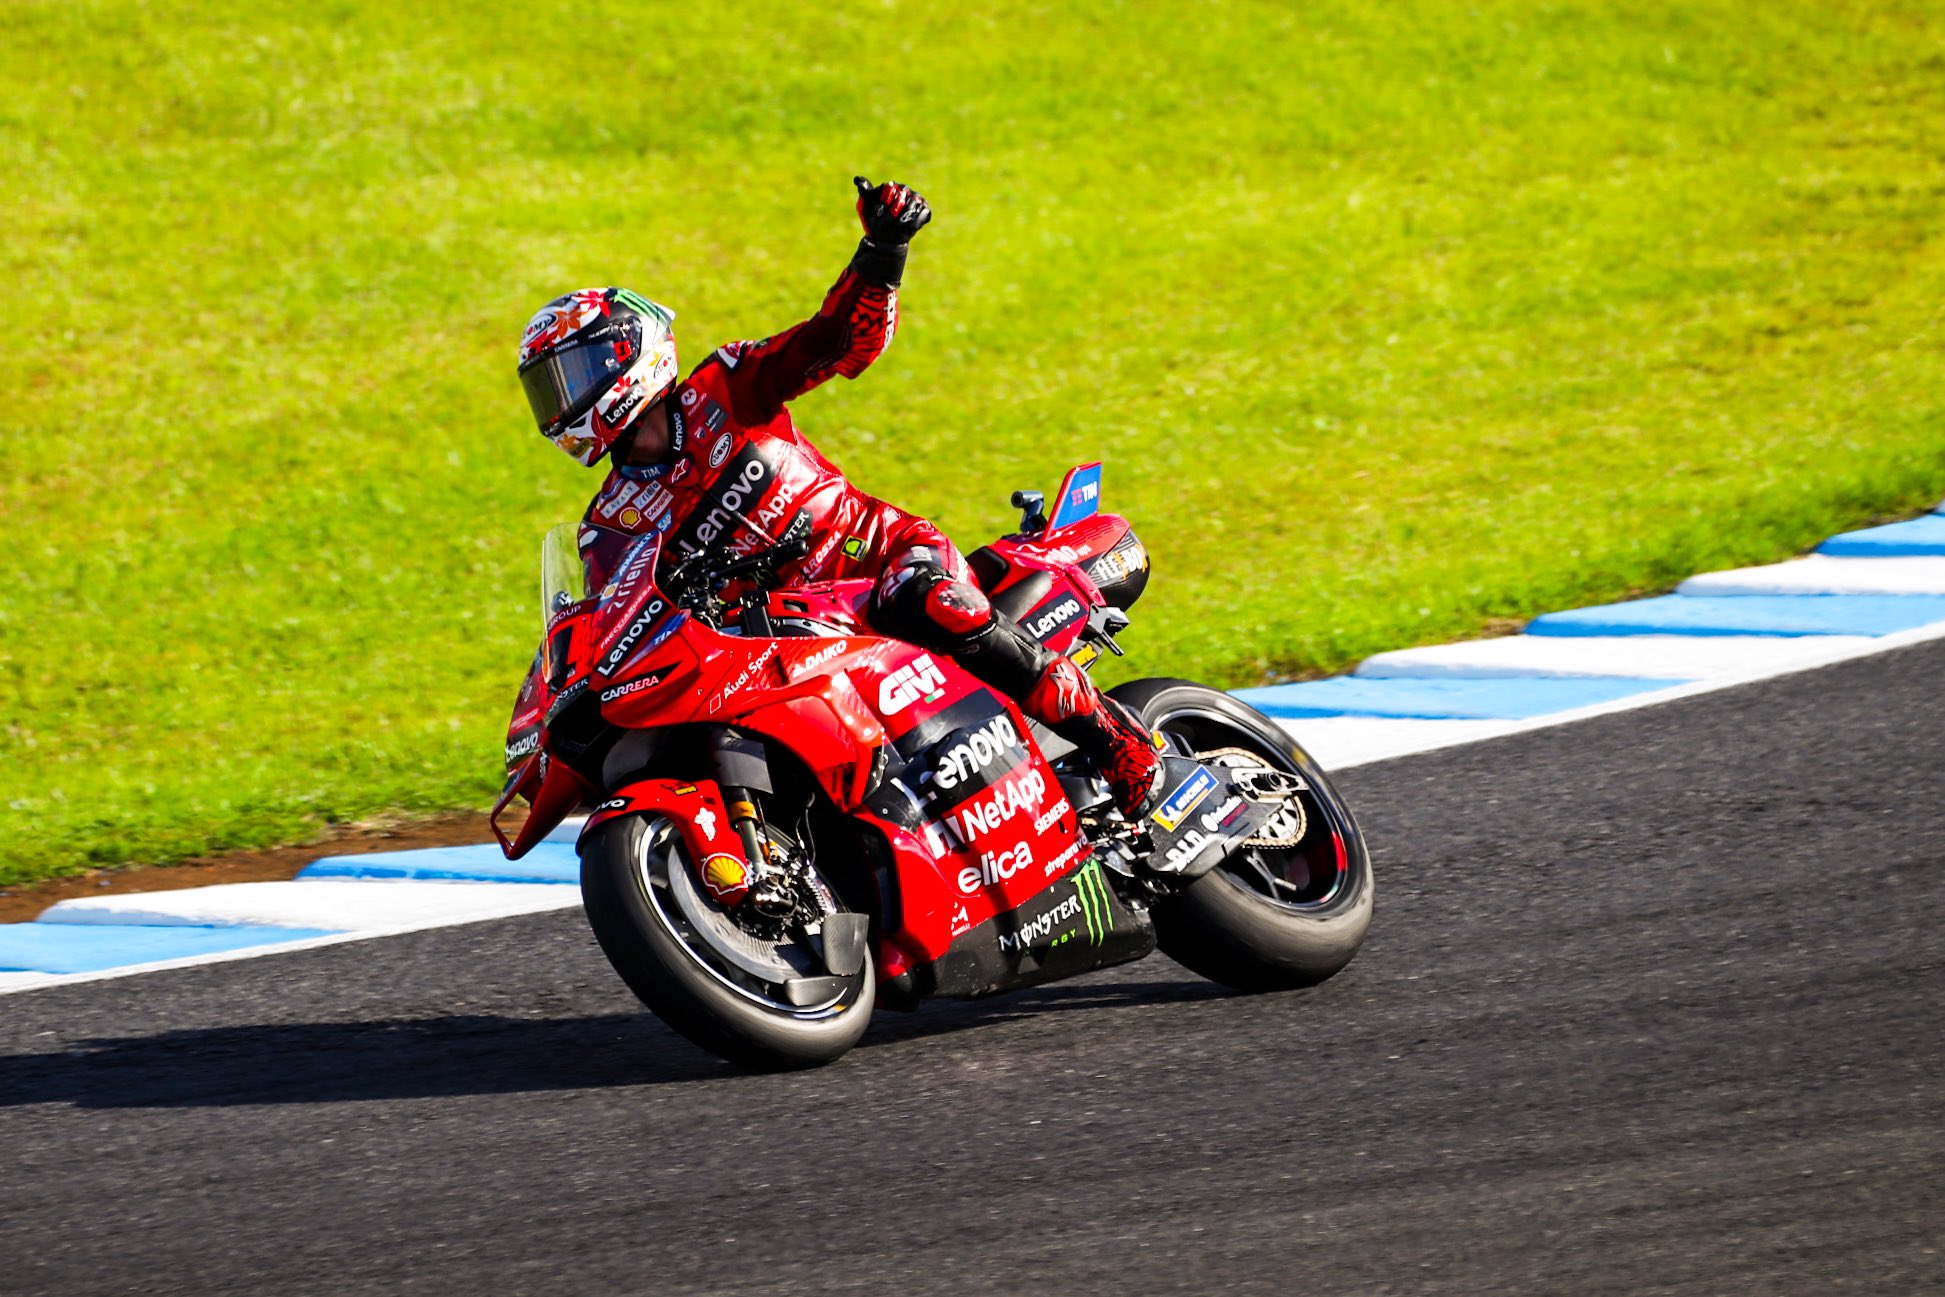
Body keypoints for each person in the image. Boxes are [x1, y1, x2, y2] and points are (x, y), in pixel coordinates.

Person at [514, 177, 1163, 819]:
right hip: (777, 637)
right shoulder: (609, 522)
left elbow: (838, 341)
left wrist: (882, 250)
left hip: (879, 565)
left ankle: (1116, 740)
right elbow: (616, 625)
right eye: (549, 388)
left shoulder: (726, 387)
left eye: (568, 377)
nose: (561, 402)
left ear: (628, 352)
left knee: (929, 599)